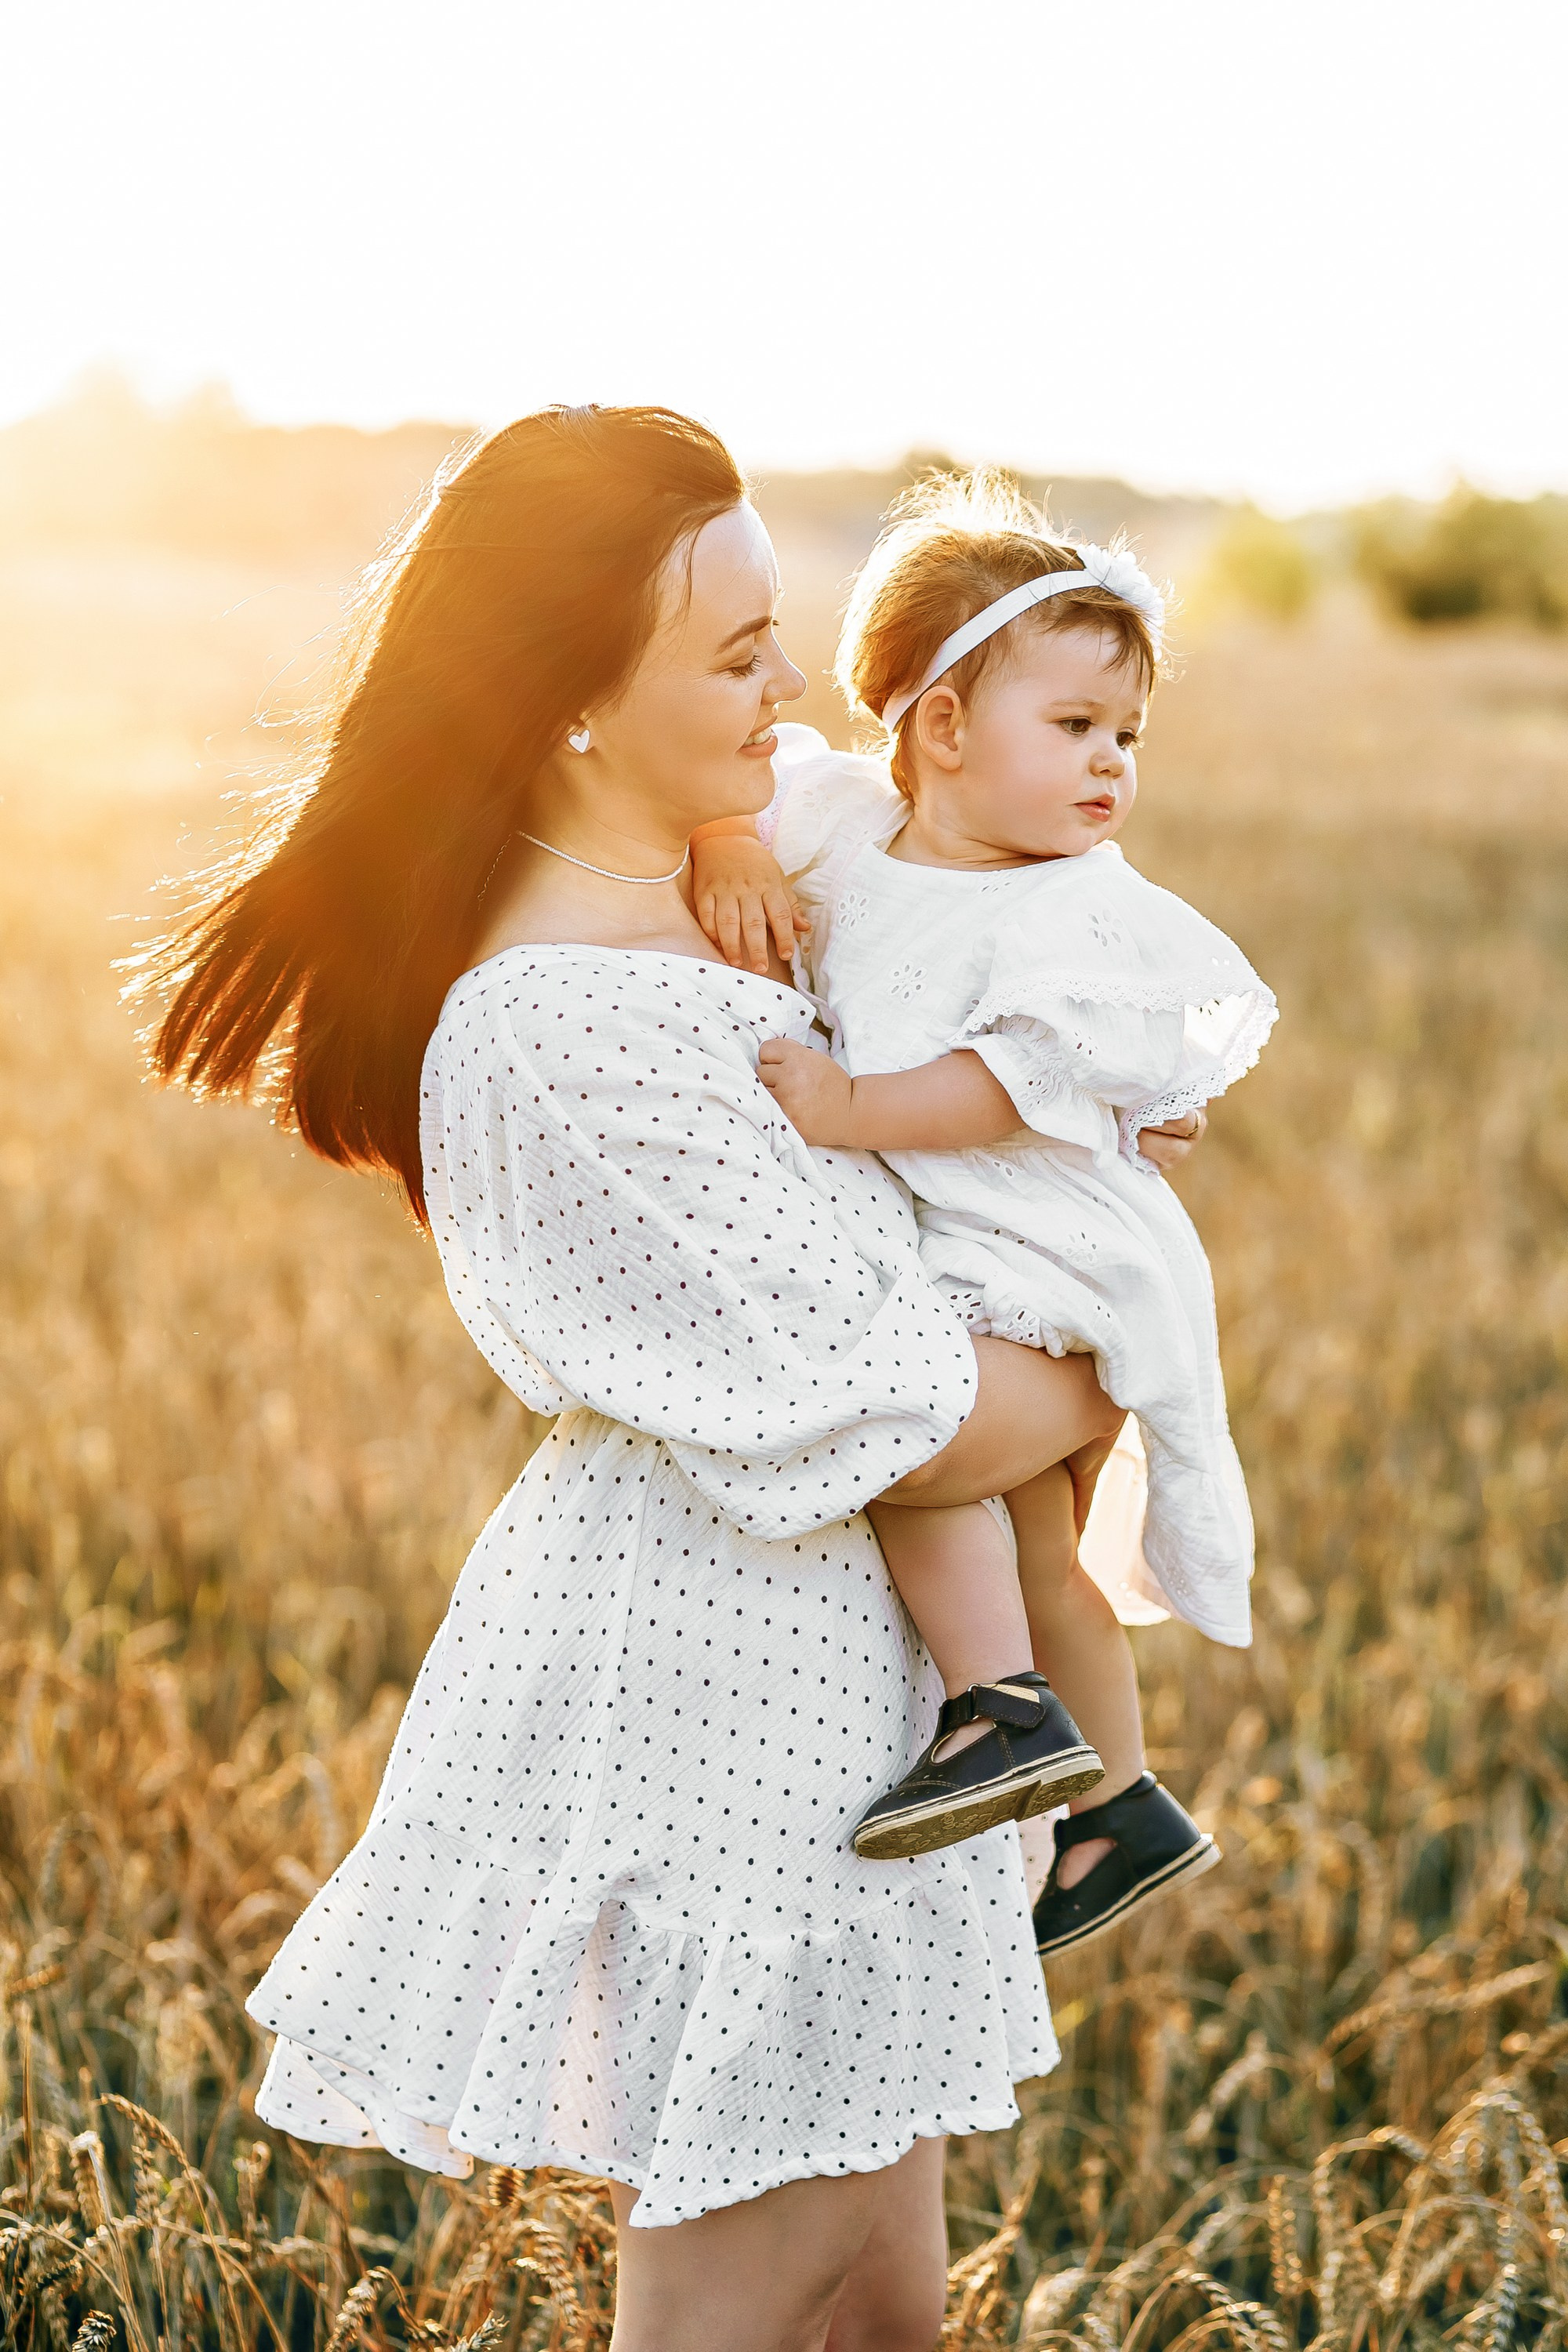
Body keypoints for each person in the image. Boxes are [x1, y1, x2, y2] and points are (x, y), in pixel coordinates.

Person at [145, 408, 1200, 2352]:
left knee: (881, 2306)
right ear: (566, 697)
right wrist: (1115, 1329)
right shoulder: (560, 1023)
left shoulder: (727, 895)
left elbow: (921, 998)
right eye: (733, 656)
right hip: (745, 1712)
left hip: (855, 1689)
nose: (790, 684)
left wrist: (1050, 1145)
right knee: (732, 2305)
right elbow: (910, 1409)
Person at [689, 473, 1276, 1958]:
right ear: (941, 730)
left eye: (1126, 737)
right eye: (1076, 729)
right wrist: (727, 847)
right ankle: (1121, 1800)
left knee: (907, 1432)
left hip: (1047, 1240)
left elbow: (1005, 1085)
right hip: (970, 1231)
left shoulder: (1072, 904)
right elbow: (744, 801)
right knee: (1031, 1535)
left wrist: (849, 1111)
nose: (1111, 768)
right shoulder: (842, 827)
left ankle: (996, 1707)